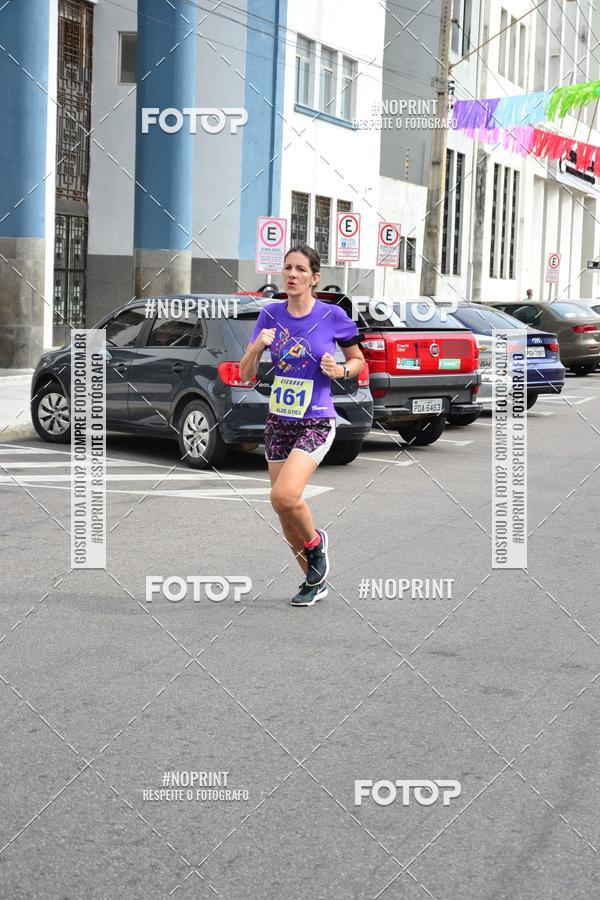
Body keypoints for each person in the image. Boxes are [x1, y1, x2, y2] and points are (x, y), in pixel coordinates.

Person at [239, 244, 365, 607]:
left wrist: (341, 370)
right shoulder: (270, 315)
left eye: (300, 270)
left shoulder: (332, 315)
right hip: (279, 420)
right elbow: (247, 374)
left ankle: (316, 544)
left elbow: (357, 361)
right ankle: (314, 580)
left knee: (283, 496)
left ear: (314, 277)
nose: (292, 275)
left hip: (316, 418)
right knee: (284, 513)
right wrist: (254, 349)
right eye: (287, 268)